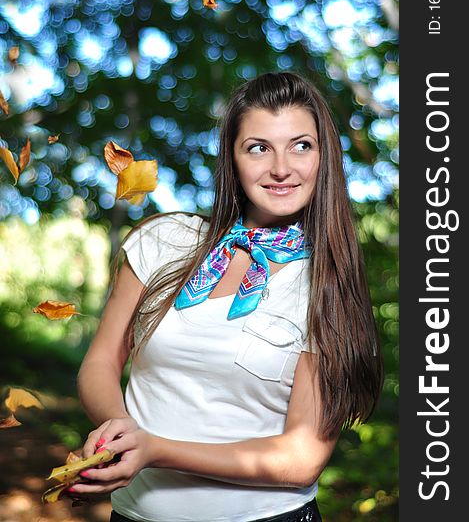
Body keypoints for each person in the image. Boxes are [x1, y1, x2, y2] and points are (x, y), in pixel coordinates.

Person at [72, 72, 383, 522]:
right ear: (233, 160)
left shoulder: (328, 287)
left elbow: (300, 458)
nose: (281, 167)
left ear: (324, 158)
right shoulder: (164, 240)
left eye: (301, 145)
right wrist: (118, 430)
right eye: (258, 147)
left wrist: (155, 450)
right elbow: (101, 361)